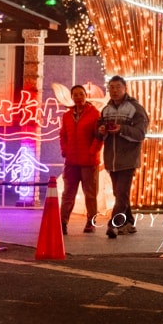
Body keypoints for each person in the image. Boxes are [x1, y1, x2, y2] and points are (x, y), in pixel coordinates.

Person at [98, 75, 149, 239]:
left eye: (117, 87)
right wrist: (100, 131)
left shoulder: (135, 108)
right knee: (119, 193)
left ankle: (113, 224)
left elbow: (140, 133)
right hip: (111, 159)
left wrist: (121, 129)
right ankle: (129, 223)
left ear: (125, 88)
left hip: (128, 159)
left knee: (121, 193)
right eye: (111, 87)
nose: (114, 90)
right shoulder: (106, 110)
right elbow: (98, 130)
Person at [59, 84, 102, 234]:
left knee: (90, 194)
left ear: (85, 96)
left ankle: (91, 221)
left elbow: (99, 136)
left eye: (81, 94)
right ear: (71, 97)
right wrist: (64, 150)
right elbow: (63, 135)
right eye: (75, 95)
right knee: (68, 193)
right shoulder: (66, 116)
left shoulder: (94, 114)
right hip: (71, 161)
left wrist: (93, 151)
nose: (78, 97)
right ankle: (62, 222)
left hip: (89, 162)